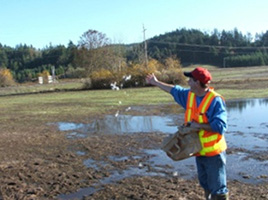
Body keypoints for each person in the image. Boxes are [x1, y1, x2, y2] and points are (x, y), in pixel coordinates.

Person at [146, 67, 229, 200]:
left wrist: (198, 126)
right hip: (198, 150)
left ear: (197, 83)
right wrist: (156, 82)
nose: (188, 82)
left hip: (213, 153)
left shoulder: (215, 100)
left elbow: (221, 126)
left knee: (218, 188)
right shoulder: (190, 96)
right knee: (205, 184)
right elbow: (174, 90)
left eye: (190, 80)